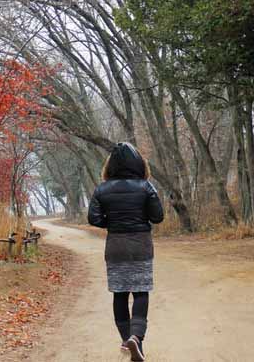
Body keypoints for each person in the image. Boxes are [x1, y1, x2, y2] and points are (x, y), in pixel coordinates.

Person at [87, 142, 164, 362]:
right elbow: (157, 217)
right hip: (140, 244)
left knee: (120, 294)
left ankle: (126, 341)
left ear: (110, 165)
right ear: (139, 163)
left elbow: (93, 218)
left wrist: (112, 221)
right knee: (140, 292)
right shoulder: (146, 187)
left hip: (116, 245)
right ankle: (136, 339)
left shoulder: (102, 189)